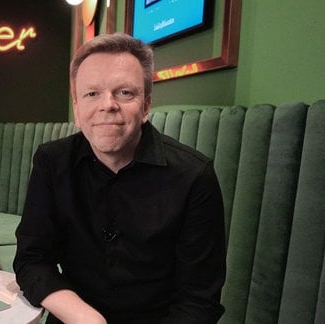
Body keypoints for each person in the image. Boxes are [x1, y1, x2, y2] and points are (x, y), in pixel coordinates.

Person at [13, 32, 226, 323]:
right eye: (92, 94)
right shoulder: (52, 161)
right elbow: (32, 260)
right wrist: (86, 318)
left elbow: (198, 301)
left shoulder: (194, 176)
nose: (107, 105)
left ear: (146, 106)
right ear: (77, 108)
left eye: (124, 92)